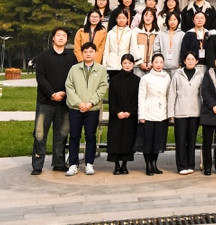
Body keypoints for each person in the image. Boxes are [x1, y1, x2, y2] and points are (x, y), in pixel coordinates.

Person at [31, 27, 77, 175]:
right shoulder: (43, 56)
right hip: (45, 102)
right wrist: (52, 94)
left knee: (62, 133)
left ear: (67, 39)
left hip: (64, 102)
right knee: (39, 134)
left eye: (64, 36)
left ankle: (59, 163)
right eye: (58, 35)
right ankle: (37, 165)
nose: (61, 38)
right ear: (53, 38)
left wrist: (63, 92)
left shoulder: (71, 57)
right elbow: (41, 78)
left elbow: (73, 78)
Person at [64, 42, 108, 176]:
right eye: (85, 52)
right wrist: (79, 103)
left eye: (91, 51)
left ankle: (89, 163)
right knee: (74, 136)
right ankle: (73, 164)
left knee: (90, 136)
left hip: (92, 109)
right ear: (82, 53)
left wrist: (90, 103)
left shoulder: (101, 69)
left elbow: (102, 87)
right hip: (75, 108)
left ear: (95, 53)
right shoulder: (74, 69)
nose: (88, 54)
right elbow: (69, 87)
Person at [168, 51, 202, 174]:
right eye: (188, 59)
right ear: (184, 61)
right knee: (181, 140)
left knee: (191, 140)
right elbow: (172, 94)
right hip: (180, 112)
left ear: (197, 61)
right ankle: (181, 165)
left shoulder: (200, 74)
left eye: (193, 59)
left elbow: (202, 94)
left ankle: (190, 164)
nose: (190, 61)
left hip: (195, 111)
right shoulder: (177, 74)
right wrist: (170, 112)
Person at [138, 53, 171, 176]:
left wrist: (169, 113)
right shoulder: (145, 78)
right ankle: (148, 165)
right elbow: (141, 97)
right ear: (152, 63)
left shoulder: (167, 77)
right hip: (149, 111)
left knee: (158, 140)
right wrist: (141, 115)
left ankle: (154, 164)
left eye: (160, 62)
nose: (158, 65)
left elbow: (169, 95)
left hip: (162, 112)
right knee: (148, 140)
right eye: (156, 62)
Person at [106, 53, 139, 175]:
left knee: (127, 139)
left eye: (130, 63)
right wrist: (118, 111)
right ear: (121, 64)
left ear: (133, 64)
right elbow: (112, 98)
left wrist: (130, 111)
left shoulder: (137, 80)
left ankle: (125, 165)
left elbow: (137, 99)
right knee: (115, 139)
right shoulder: (114, 80)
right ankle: (116, 165)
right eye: (125, 63)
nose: (127, 65)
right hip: (117, 115)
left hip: (130, 116)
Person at [104, 11, 136, 80]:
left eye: (124, 18)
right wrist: (104, 64)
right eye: (119, 18)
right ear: (116, 19)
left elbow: (133, 49)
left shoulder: (130, 32)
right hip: (111, 64)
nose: (121, 20)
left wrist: (132, 63)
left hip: (125, 64)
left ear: (127, 19)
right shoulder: (110, 33)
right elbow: (106, 50)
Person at [134, 7, 159, 76]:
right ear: (142, 17)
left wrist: (152, 63)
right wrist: (140, 63)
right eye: (146, 15)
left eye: (151, 16)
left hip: (153, 66)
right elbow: (134, 48)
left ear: (154, 18)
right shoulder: (136, 31)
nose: (148, 18)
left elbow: (158, 50)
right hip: (138, 66)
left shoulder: (157, 33)